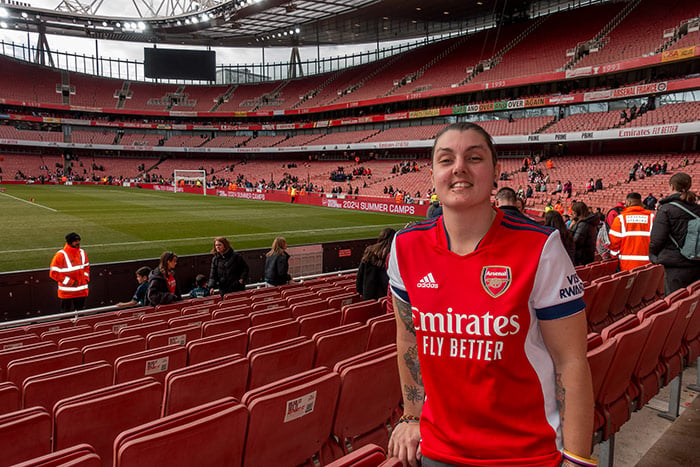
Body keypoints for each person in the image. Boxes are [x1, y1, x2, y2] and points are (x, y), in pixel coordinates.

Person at [387, 123, 593, 467]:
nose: (459, 168)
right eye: (446, 159)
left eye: (474, 157)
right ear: (433, 172)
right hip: (439, 451)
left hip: (526, 454)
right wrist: (411, 416)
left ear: (496, 171)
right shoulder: (406, 247)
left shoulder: (541, 248)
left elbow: (571, 361)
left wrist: (577, 458)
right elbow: (409, 341)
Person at [649, 173, 700, 295]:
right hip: (697, 262)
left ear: (671, 186)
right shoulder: (697, 208)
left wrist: (653, 255)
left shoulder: (666, 209)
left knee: (676, 301)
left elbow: (657, 239)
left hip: (676, 265)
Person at [608, 192, 655, 271]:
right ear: (641, 202)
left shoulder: (620, 219)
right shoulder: (651, 218)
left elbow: (614, 243)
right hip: (648, 264)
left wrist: (614, 257)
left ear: (628, 202)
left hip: (627, 265)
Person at [49, 232, 90, 313]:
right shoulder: (60, 255)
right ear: (69, 242)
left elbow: (86, 267)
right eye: (75, 241)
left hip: (81, 292)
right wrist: (71, 282)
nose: (78, 242)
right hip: (67, 293)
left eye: (78, 240)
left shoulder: (82, 252)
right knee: (65, 315)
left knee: (80, 314)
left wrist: (85, 278)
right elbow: (53, 273)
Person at [356, 228, 396, 300]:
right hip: (388, 296)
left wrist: (361, 291)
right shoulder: (395, 253)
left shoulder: (370, 251)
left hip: (370, 295)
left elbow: (360, 276)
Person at [569, 201, 599, 266]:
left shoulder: (583, 224)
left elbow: (576, 241)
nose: (572, 214)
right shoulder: (588, 222)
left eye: (573, 212)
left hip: (581, 257)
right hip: (587, 254)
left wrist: (571, 228)